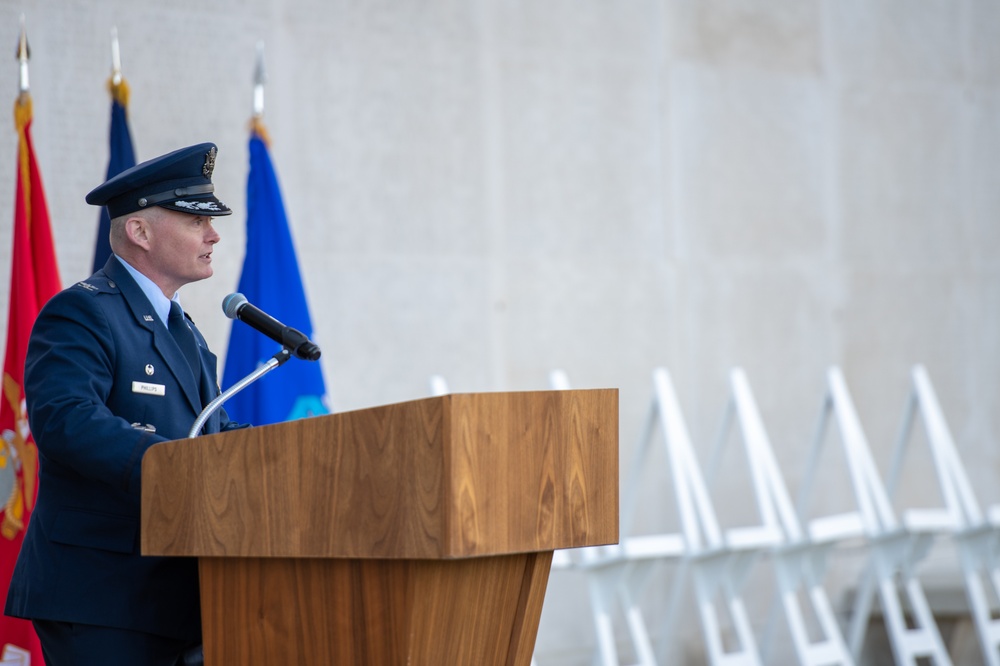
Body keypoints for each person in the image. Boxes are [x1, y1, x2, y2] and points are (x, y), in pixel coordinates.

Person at [4, 142, 248, 665]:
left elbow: (213, 434)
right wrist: (171, 465)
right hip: (101, 592)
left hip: (175, 592)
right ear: (140, 232)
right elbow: (66, 421)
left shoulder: (185, 332)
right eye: (194, 221)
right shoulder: (80, 312)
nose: (213, 234)